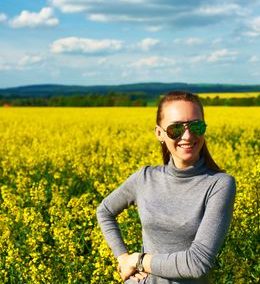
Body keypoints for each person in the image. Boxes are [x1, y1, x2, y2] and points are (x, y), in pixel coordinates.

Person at [96, 91, 236, 283]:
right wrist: (122, 258)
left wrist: (138, 260)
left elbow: (197, 263)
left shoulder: (218, 184)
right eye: (176, 129)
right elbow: (104, 211)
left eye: (196, 126)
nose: (187, 135)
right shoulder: (144, 178)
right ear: (159, 133)